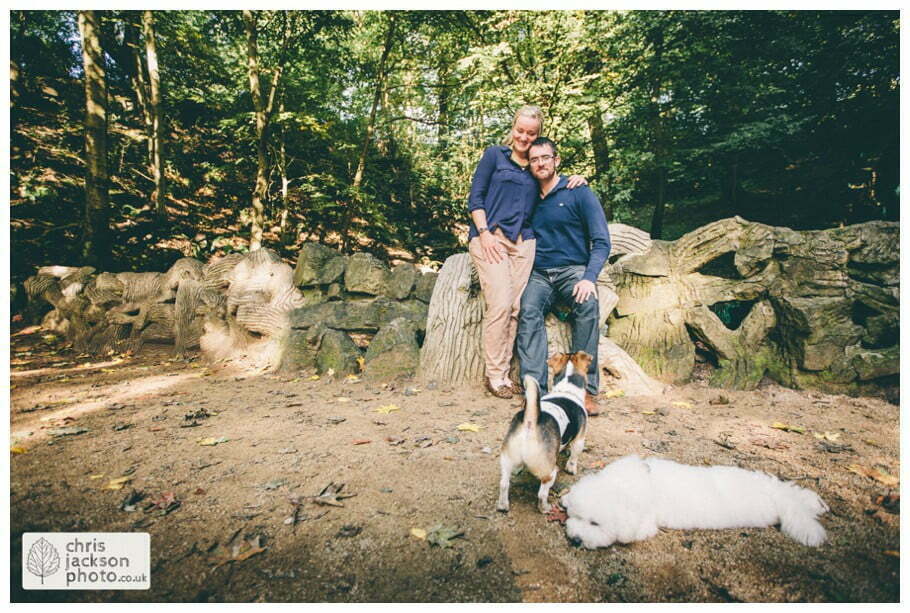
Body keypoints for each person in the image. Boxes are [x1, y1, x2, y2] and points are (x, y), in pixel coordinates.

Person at [467, 106, 586, 399]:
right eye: (520, 130)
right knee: (501, 304)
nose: (524, 136)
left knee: (518, 309)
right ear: (513, 128)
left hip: (523, 244)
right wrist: (484, 234)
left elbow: (553, 179)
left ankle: (507, 375)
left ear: (538, 135)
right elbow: (475, 198)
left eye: (531, 133)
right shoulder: (495, 156)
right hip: (491, 238)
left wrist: (577, 178)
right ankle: (494, 375)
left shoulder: (535, 166)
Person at [516, 137, 611, 414]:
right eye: (534, 159)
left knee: (588, 304)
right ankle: (534, 391)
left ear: (556, 160)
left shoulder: (578, 191)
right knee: (528, 309)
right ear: (530, 164)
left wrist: (588, 277)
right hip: (539, 273)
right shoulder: (529, 196)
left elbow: (602, 241)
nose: (540, 163)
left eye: (545, 157)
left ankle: (584, 390)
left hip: (573, 270)